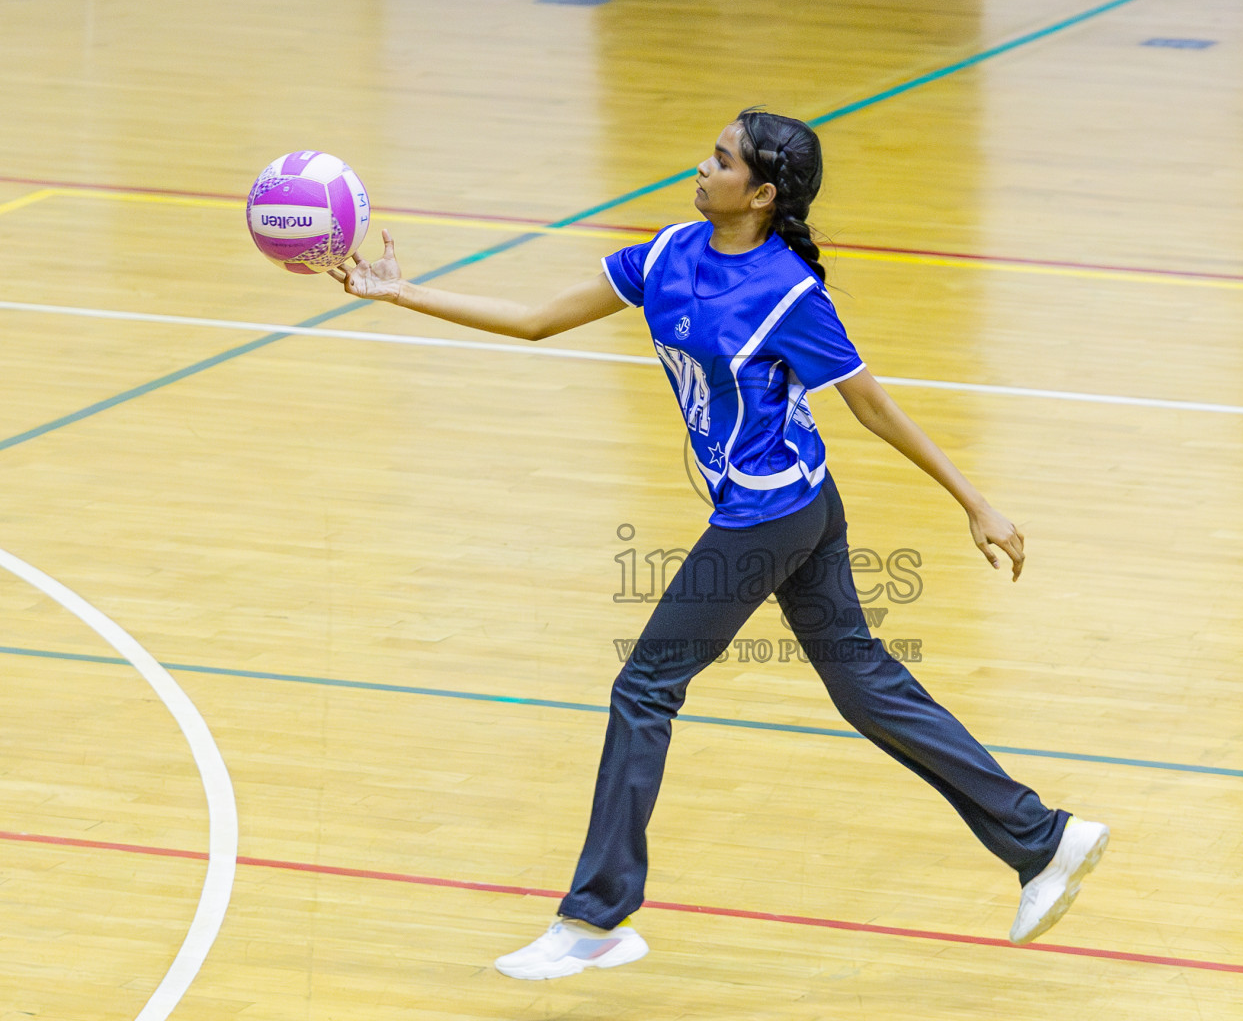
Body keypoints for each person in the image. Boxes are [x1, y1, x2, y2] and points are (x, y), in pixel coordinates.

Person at [332, 109, 1108, 981]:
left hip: (769, 517)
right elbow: (536, 320)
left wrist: (975, 502)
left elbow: (873, 405)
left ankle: (595, 920)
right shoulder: (668, 253)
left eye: (722, 160)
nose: (702, 167)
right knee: (864, 686)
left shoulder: (789, 295)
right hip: (799, 503)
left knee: (644, 687)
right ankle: (1043, 839)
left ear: (763, 193)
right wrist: (399, 292)